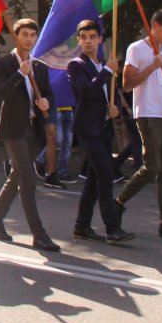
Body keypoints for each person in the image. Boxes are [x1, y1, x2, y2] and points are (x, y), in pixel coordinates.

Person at [0, 17, 59, 252]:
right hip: (13, 130)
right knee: (28, 179)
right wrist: (19, 73)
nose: (28, 39)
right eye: (24, 34)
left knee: (17, 175)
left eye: (32, 35)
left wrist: (47, 102)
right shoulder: (4, 63)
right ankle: (39, 234)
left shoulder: (40, 66)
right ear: (16, 37)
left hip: (33, 129)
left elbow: (47, 95)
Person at [115, 9, 162, 235]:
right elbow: (127, 84)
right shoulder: (137, 49)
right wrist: (152, 66)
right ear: (154, 26)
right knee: (152, 166)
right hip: (147, 114)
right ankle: (118, 202)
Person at [66, 20, 134, 244]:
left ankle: (81, 225)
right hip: (87, 129)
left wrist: (113, 108)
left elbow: (107, 92)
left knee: (94, 179)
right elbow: (85, 90)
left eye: (92, 37)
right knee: (106, 175)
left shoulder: (105, 64)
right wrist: (106, 71)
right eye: (83, 37)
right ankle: (112, 228)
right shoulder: (76, 65)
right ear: (79, 41)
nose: (87, 41)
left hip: (104, 127)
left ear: (99, 39)